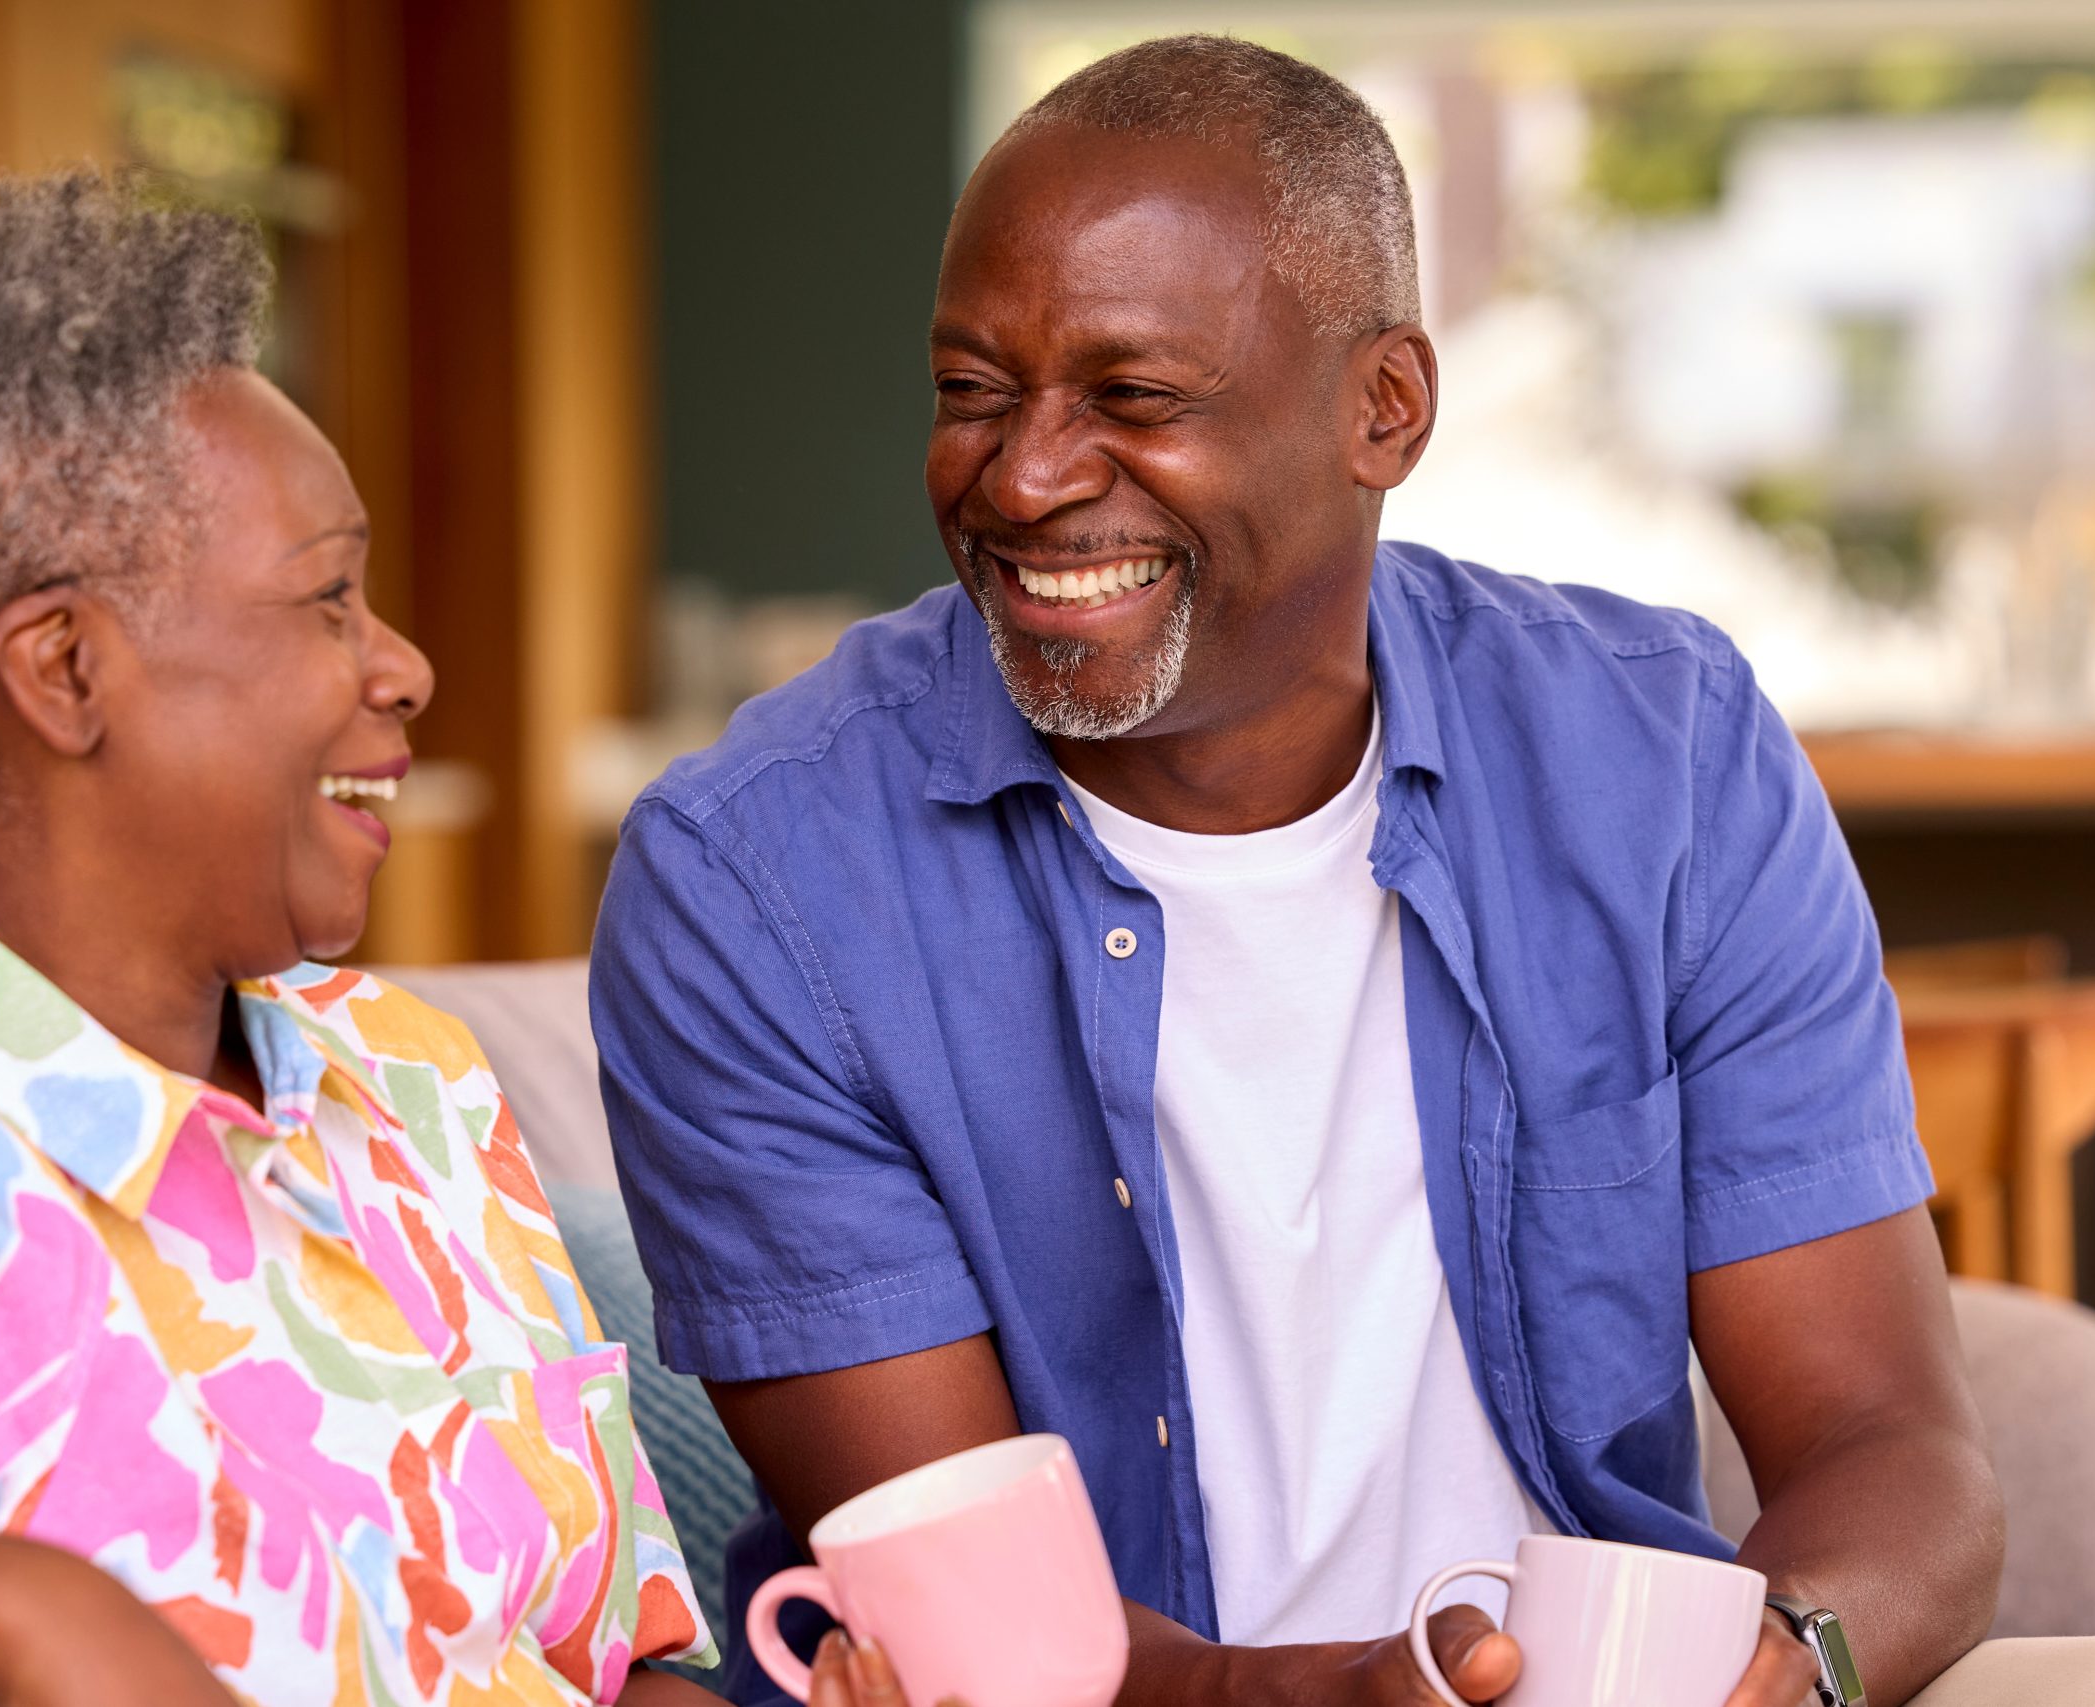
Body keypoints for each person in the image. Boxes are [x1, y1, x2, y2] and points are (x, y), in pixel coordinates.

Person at [591, 36, 2006, 1707]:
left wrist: (1781, 1671)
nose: (1026, 476)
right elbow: (989, 1636)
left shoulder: (1665, 763)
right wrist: (1356, 1699)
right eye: (974, 391)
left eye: (1133, 399)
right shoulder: (754, 884)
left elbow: (1894, 1451)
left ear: (1383, 409)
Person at [0, 171, 933, 1707]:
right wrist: (18, 1623)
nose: (406, 667)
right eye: (329, 600)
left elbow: (618, 1666)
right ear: (66, 668)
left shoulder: (412, 1086)